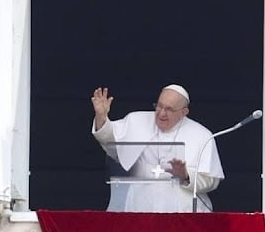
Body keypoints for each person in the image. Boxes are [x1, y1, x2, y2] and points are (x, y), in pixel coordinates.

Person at [91, 84, 224, 213]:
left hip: (182, 212)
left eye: (169, 109)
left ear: (184, 112)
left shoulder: (202, 135)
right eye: (159, 106)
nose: (161, 113)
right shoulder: (136, 120)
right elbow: (112, 145)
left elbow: (211, 181)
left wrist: (186, 175)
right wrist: (101, 117)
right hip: (139, 206)